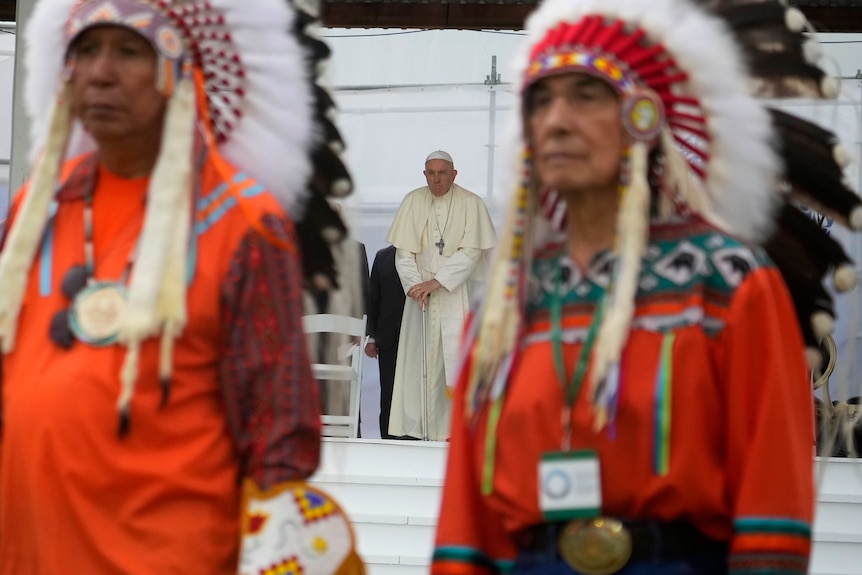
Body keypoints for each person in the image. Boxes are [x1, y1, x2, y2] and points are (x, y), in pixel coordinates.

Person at [430, 0, 859, 573]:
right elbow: (467, 514)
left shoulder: (729, 280)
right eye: (541, 100)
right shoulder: (508, 301)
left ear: (642, 117)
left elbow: (772, 487)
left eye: (586, 96)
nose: (557, 119)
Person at [0, 0, 364, 573]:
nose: (100, 72)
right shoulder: (36, 208)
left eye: (128, 50)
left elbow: (280, 433)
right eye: (86, 50)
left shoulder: (242, 223)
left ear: (179, 69)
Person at [386, 150, 496, 440]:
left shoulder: (471, 203)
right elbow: (403, 254)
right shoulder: (412, 200)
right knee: (418, 366)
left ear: (454, 174)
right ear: (424, 175)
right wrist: (414, 286)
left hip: (456, 295)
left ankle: (453, 433)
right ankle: (418, 430)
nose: (436, 180)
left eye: (442, 173)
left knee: (454, 363)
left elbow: (472, 253)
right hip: (419, 298)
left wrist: (436, 282)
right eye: (431, 173)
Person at [365, 244, 407, 439]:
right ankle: (388, 437)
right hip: (389, 337)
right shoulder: (383, 256)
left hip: (421, 337)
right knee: (389, 392)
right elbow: (373, 298)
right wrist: (370, 337)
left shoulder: (429, 254)